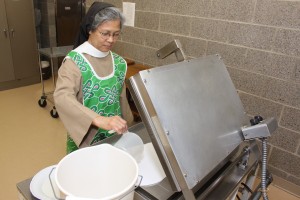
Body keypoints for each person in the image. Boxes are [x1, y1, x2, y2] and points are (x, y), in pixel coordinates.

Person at [54, 2, 134, 154]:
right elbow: (62, 96)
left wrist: (128, 126)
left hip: (114, 134)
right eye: (105, 33)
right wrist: (98, 119)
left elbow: (121, 99)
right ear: (90, 29)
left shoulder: (119, 63)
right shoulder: (74, 62)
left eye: (116, 34)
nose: (111, 40)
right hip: (86, 137)